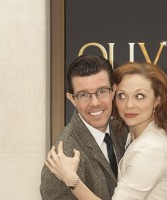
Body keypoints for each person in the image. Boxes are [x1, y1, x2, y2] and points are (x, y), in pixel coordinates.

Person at [45, 61, 167, 200]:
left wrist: (72, 180)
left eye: (140, 96)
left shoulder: (150, 148)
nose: (129, 105)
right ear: (72, 99)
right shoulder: (63, 154)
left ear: (157, 99)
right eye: (122, 95)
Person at [40, 55, 128, 200]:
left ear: (113, 91)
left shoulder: (123, 129)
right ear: (72, 99)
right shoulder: (63, 156)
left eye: (102, 91)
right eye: (84, 95)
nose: (95, 103)